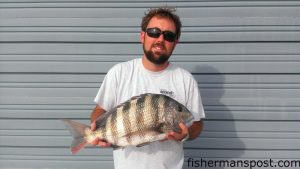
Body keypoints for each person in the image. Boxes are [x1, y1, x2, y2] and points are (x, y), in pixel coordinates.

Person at [90, 7, 205, 169]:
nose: (160, 39)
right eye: (154, 32)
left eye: (169, 35)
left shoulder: (185, 79)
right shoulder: (119, 72)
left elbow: (197, 124)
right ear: (142, 36)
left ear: (175, 42)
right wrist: (98, 128)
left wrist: (186, 134)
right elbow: (100, 110)